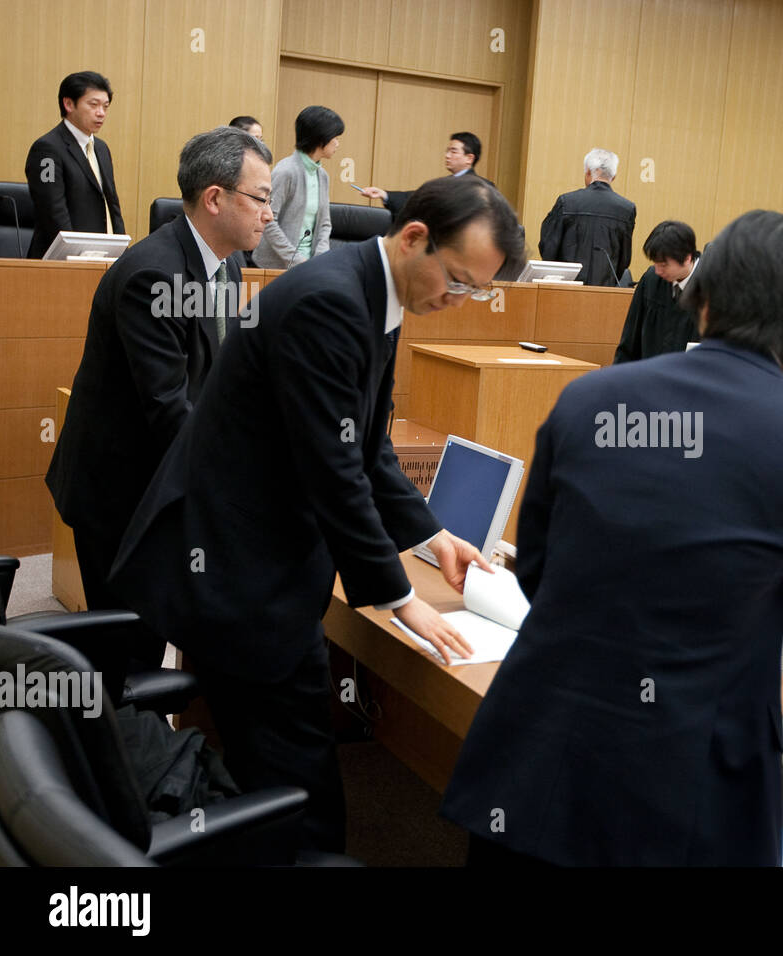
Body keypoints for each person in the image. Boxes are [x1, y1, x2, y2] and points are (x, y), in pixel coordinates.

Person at [441, 210, 783, 866]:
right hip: (685, 799)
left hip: (534, 767)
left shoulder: (588, 399)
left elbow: (538, 570)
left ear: (703, 298)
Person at [109, 176, 525, 853]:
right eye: (457, 280)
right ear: (414, 237)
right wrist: (396, 597)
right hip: (239, 576)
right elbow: (332, 473)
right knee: (298, 785)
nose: (459, 301)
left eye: (476, 290)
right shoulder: (330, 303)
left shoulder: (374, 293)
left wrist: (431, 532)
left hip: (252, 556)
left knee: (279, 759)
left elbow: (365, 445)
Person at [45, 126, 271, 659]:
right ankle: (110, 739)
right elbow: (170, 409)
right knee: (124, 654)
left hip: (162, 481)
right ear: (215, 198)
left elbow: (222, 372)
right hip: (121, 493)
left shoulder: (229, 264)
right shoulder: (154, 274)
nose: (269, 213)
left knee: (159, 630)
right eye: (261, 198)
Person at [25, 71, 126, 259]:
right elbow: (52, 210)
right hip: (62, 261)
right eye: (93, 105)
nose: (101, 113)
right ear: (69, 104)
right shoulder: (46, 150)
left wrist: (122, 255)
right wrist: (74, 256)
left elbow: (112, 205)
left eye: (105, 106)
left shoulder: (101, 149)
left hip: (100, 257)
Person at [253, 105, 343, 269]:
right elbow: (268, 221)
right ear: (321, 138)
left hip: (309, 267)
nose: (338, 143)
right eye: (335, 137)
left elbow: (325, 224)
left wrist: (319, 259)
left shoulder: (322, 175)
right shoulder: (286, 171)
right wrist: (297, 260)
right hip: (276, 267)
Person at [538, 148, 636, 286]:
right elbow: (624, 259)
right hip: (605, 290)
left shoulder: (566, 202)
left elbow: (548, 247)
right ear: (613, 177)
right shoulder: (626, 209)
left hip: (565, 288)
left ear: (588, 172)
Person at [612, 220, 699, 363]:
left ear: (687, 258)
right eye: (655, 263)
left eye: (664, 265)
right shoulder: (651, 279)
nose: (658, 271)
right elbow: (630, 341)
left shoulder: (711, 289)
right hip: (650, 376)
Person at [359, 132, 495, 218]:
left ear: (469, 158)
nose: (447, 156)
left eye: (453, 151)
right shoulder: (443, 183)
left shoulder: (483, 187)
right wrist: (384, 194)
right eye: (447, 151)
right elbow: (416, 198)